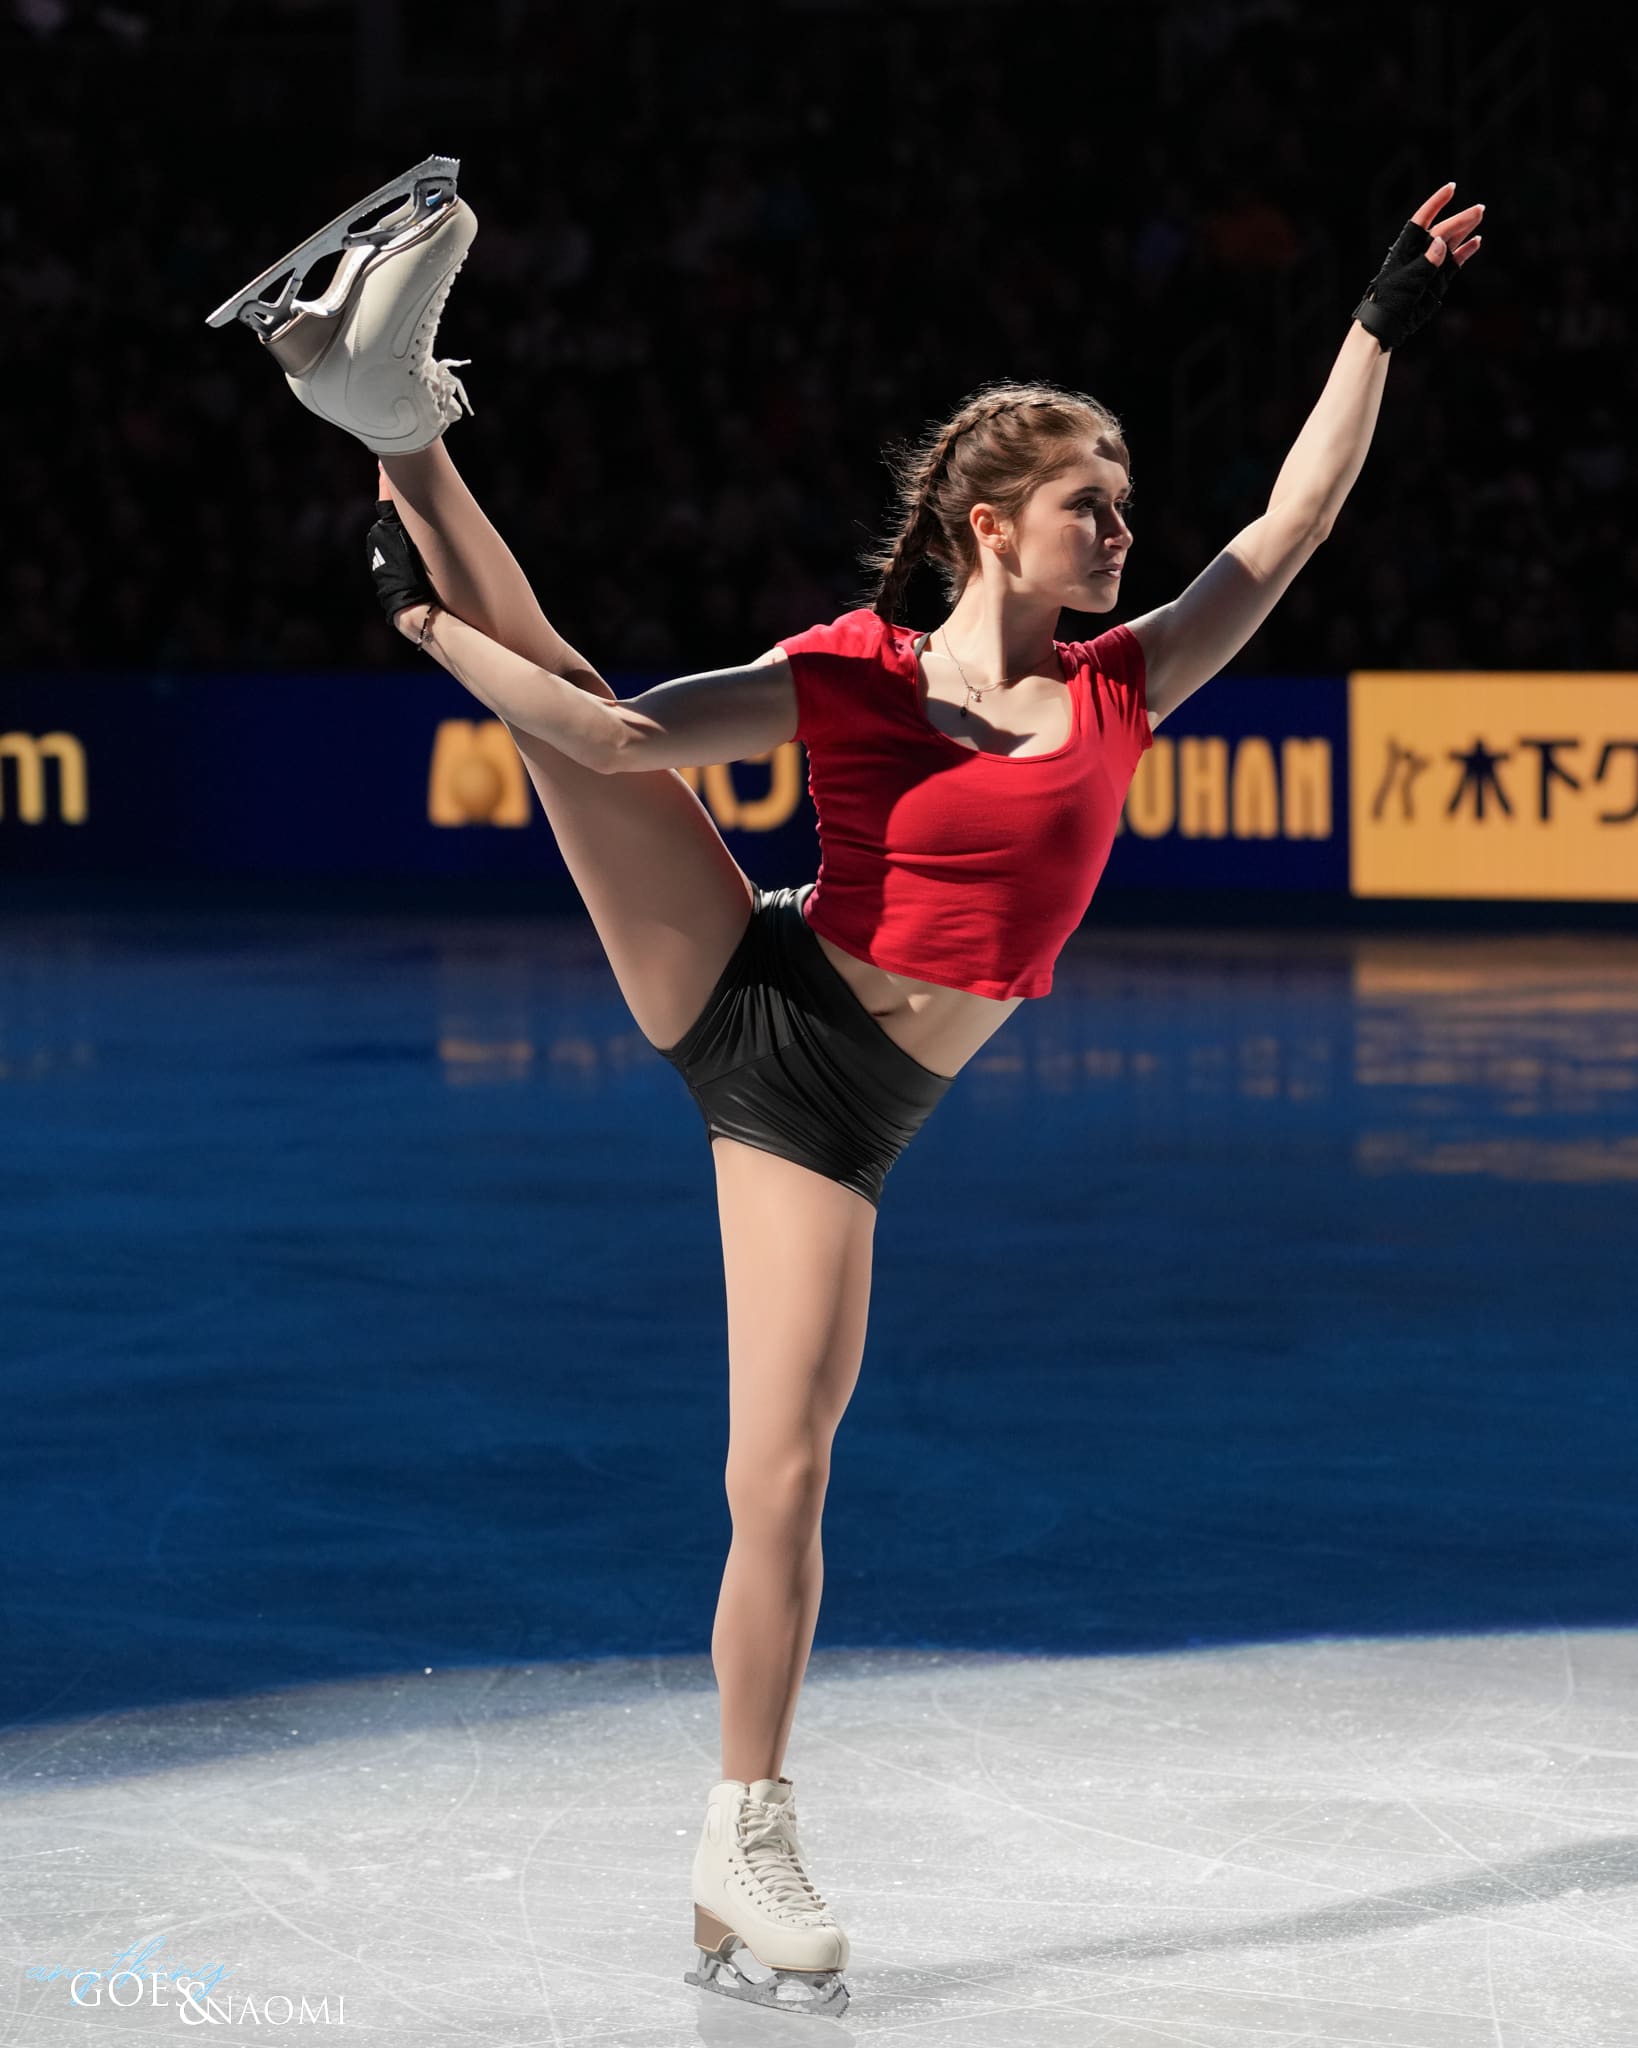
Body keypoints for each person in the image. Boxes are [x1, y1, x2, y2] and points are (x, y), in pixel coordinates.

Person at [208, 162, 1481, 2017]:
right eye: (1092, 505)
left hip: (846, 1105)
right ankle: (390, 418)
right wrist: (427, 635)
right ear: (989, 527)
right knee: (777, 1463)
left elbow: (1286, 526)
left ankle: (382, 411)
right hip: (757, 1003)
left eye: (1124, 508)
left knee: (783, 1469)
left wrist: (1375, 323)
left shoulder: (1123, 687)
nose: (1124, 533)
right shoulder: (852, 676)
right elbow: (616, 735)